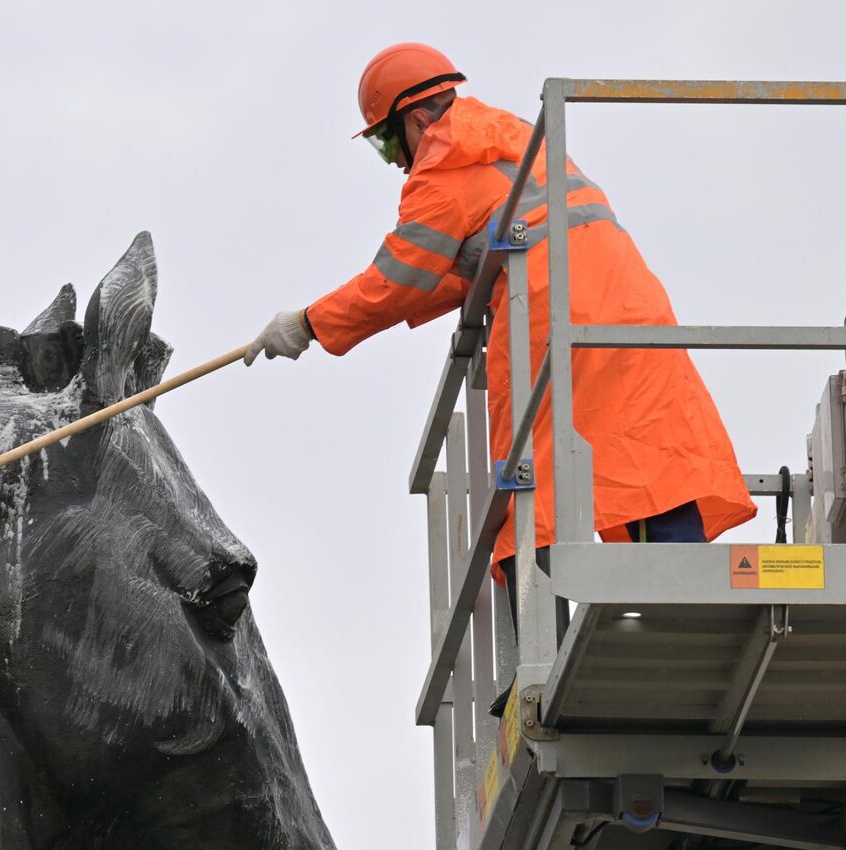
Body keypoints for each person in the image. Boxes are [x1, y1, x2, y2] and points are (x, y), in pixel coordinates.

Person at [243, 43, 755, 689]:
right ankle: (687, 605)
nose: (395, 159)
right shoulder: (510, 138)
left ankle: (545, 659)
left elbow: (395, 278)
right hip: (625, 302)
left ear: (415, 120)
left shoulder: (445, 164)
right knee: (645, 451)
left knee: (527, 482)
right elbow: (459, 263)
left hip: (544, 310)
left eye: (386, 143)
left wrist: (309, 324)